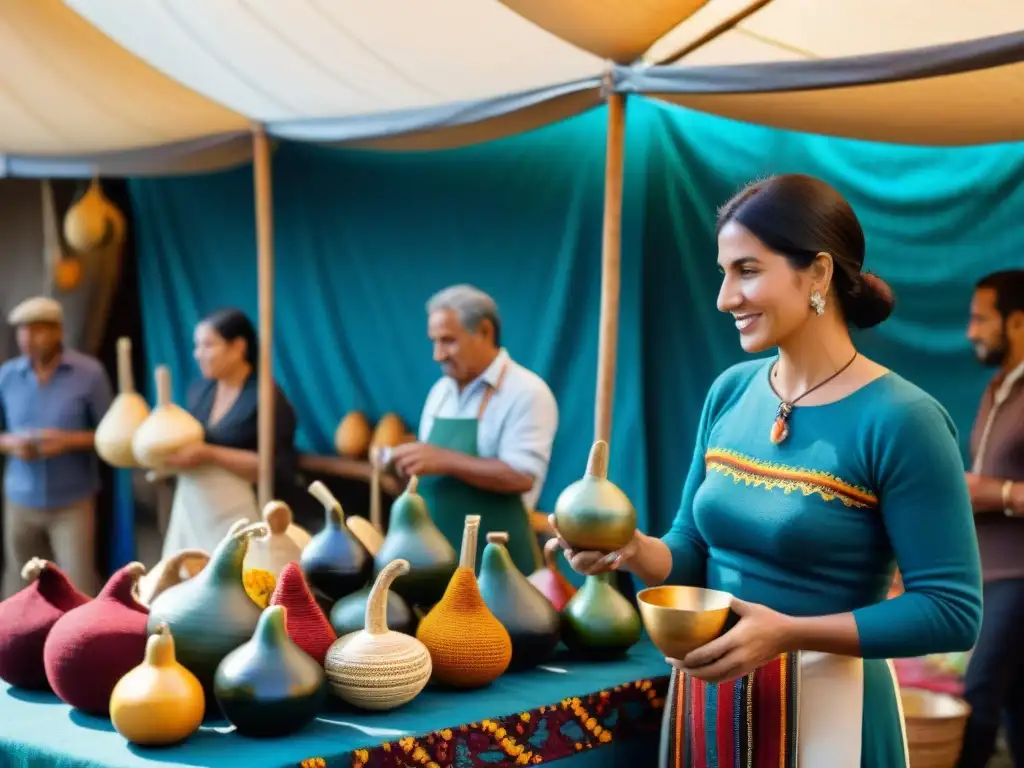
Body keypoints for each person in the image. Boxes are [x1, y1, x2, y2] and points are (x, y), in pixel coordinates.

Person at [551, 174, 983, 767]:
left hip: (830, 717)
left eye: (747, 270)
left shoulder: (904, 420)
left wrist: (789, 632)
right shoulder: (730, 392)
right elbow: (691, 548)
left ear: (820, 274)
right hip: (708, 706)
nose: (726, 297)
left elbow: (951, 611)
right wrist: (630, 549)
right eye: (724, 272)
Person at [388, 285, 558, 576]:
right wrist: (409, 464)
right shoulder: (440, 392)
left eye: (448, 341)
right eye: (434, 342)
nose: (437, 355)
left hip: (498, 568)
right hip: (436, 562)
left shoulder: (527, 392)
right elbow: (433, 465)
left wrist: (445, 460)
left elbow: (522, 476)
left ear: (485, 331)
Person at [158, 308, 298, 556]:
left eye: (208, 345)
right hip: (195, 512)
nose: (198, 354)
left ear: (238, 347)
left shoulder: (266, 398)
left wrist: (208, 454)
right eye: (196, 346)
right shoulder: (200, 392)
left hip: (241, 518)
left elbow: (272, 466)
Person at [0, 297, 112, 597]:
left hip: (72, 502)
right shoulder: (7, 376)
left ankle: (79, 644)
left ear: (58, 332)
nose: (28, 339)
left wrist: (66, 441)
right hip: (20, 501)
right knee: (20, 587)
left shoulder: (90, 374)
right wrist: (12, 444)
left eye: (37, 330)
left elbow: (111, 435)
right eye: (22, 331)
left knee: (78, 586)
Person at [958, 269, 1024, 768]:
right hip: (988, 575)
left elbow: (991, 488)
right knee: (1015, 705)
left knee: (976, 698)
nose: (971, 332)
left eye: (982, 319)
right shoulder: (997, 388)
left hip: (1018, 578)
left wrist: (993, 491)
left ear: (1018, 322)